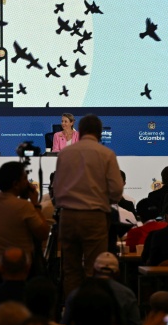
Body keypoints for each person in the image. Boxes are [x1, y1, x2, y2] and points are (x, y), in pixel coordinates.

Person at [52, 114, 124, 297]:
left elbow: (56, 190)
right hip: (95, 216)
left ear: (80, 131)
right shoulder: (106, 154)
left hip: (68, 216)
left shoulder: (65, 153)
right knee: (94, 269)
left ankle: (71, 314)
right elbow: (116, 191)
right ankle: (92, 314)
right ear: (100, 133)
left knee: (71, 270)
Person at [0, 161, 49, 287]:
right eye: (25, 178)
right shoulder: (25, 207)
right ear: (15, 184)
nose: (28, 183)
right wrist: (35, 203)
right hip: (19, 273)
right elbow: (43, 233)